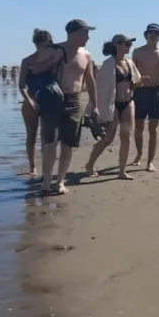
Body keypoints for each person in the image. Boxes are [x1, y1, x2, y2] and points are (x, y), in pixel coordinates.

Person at [30, 19, 99, 194]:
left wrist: (94, 104)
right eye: (85, 33)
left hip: (74, 101)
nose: (88, 37)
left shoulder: (86, 55)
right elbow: (35, 70)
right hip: (53, 100)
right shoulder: (53, 50)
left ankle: (60, 181)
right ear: (74, 33)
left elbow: (90, 80)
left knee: (68, 144)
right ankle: (46, 181)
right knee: (50, 142)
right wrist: (54, 60)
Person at [84, 34, 145, 180]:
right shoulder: (108, 64)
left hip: (128, 102)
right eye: (126, 44)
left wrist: (141, 81)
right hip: (113, 104)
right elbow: (100, 87)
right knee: (108, 138)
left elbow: (135, 84)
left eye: (130, 44)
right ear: (117, 45)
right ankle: (90, 164)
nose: (129, 47)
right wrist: (94, 107)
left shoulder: (130, 63)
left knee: (126, 136)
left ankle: (122, 171)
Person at [131, 23, 159, 172]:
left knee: (153, 129)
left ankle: (150, 161)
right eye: (150, 32)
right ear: (146, 34)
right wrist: (134, 86)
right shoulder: (137, 52)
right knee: (139, 127)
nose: (153, 35)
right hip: (140, 92)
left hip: (155, 92)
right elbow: (131, 73)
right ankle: (139, 153)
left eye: (156, 33)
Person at [18, 29, 54, 178]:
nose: (45, 49)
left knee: (47, 136)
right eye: (44, 46)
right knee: (31, 135)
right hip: (31, 100)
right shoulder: (27, 61)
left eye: (48, 46)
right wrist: (29, 99)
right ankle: (32, 166)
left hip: (49, 100)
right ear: (37, 44)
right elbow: (21, 85)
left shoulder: (53, 61)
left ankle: (46, 167)